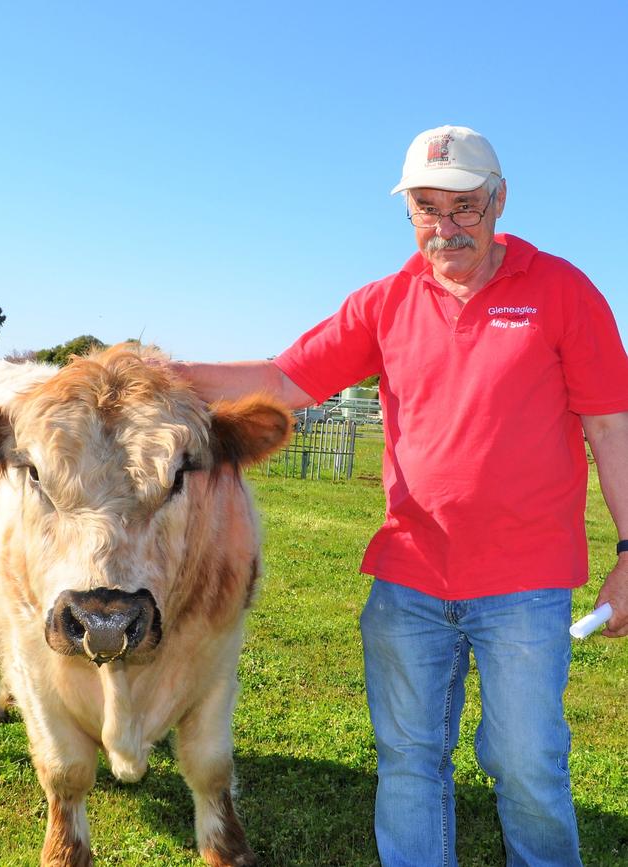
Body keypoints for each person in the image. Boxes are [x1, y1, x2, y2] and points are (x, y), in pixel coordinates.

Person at [171, 125, 628, 866]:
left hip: (526, 583)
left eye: (465, 208)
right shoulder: (386, 302)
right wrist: (164, 371)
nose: (445, 229)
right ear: (408, 211)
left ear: (499, 200)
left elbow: (611, 428)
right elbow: (285, 381)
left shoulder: (563, 293)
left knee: (524, 763)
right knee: (410, 760)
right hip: (409, 578)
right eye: (426, 209)